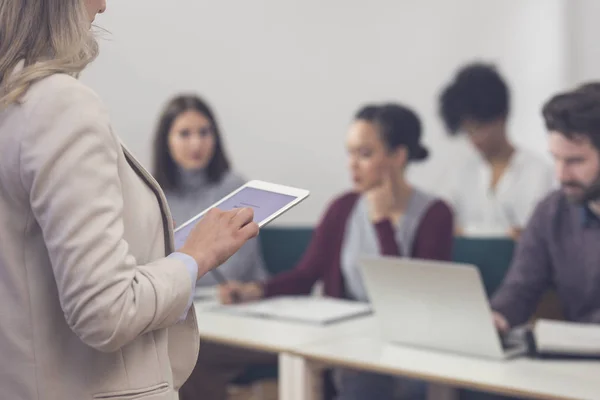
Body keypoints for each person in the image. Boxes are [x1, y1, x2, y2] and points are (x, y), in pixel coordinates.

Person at [0, 1, 259, 399]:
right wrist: (196, 256)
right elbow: (105, 311)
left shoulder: (11, 103)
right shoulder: (60, 105)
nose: (104, 5)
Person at [182, 103, 454, 400]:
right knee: (197, 356)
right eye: (350, 153)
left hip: (394, 348)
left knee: (363, 382)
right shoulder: (343, 207)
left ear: (398, 156)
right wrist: (254, 290)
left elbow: (413, 300)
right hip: (341, 340)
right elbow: (306, 274)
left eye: (364, 154)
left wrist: (383, 224)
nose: (352, 164)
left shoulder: (435, 214)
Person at [492, 85, 600, 333]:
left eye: (575, 161)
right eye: (556, 158)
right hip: (578, 358)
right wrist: (497, 316)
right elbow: (521, 287)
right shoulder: (552, 211)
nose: (561, 175)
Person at [152, 94, 268, 286]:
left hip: (238, 302)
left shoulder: (234, 188)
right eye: (184, 134)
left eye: (204, 132)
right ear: (166, 141)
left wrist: (176, 272)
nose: (196, 144)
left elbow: (232, 270)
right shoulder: (154, 195)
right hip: (177, 304)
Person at [438, 63, 554, 238]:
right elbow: (442, 227)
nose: (474, 139)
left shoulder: (539, 173)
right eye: (467, 130)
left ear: (502, 117)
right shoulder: (457, 171)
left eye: (479, 128)